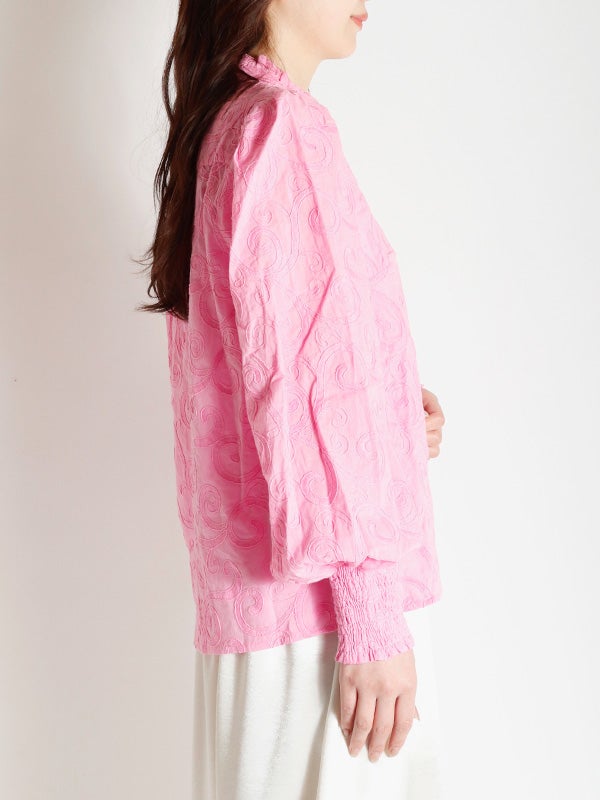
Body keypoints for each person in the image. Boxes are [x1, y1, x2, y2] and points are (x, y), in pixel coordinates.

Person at [137, 0, 446, 797]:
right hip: (324, 620)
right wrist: (370, 611)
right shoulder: (281, 128)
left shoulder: (230, 128)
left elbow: (283, 370)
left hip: (265, 623)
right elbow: (311, 380)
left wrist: (391, 410)